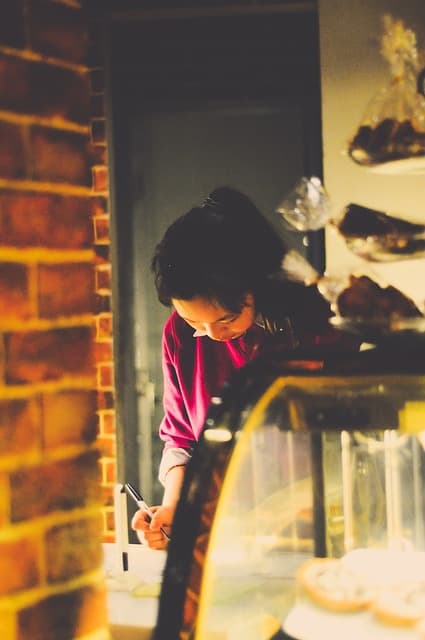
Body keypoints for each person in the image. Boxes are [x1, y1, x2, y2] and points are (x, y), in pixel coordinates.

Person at [131, 186, 360, 549]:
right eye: (194, 321)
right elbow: (182, 438)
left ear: (258, 288)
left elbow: (348, 433)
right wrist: (176, 507)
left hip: (326, 521)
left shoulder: (317, 323)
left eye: (226, 318)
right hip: (235, 534)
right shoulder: (179, 335)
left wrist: (289, 507)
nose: (212, 335)